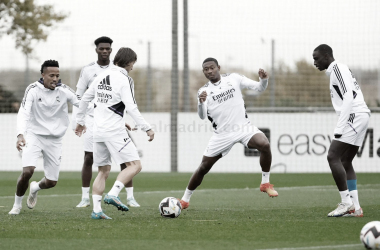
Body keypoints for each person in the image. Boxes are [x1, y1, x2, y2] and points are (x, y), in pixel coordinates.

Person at [179, 57, 278, 210]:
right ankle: (185, 199)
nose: (209, 71)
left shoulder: (234, 78)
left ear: (218, 67)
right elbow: (202, 116)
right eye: (206, 69)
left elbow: (259, 88)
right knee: (204, 167)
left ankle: (265, 183)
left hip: (243, 128)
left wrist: (264, 80)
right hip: (222, 135)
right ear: (204, 72)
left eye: (212, 67)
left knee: (264, 144)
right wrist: (200, 102)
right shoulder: (203, 91)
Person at [75, 47, 154, 220]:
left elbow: (86, 99)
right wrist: (146, 127)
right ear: (129, 62)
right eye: (133, 63)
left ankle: (96, 211)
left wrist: (80, 122)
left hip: (98, 132)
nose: (133, 67)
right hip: (114, 132)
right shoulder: (124, 79)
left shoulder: (101, 76)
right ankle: (113, 194)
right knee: (135, 165)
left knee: (103, 170)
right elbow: (131, 107)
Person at [9, 60, 80, 215]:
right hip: (35, 136)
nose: (55, 79)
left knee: (51, 182)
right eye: (51, 75)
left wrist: (79, 121)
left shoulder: (64, 90)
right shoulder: (33, 89)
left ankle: (35, 188)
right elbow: (24, 112)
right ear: (43, 75)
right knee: (27, 171)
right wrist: (20, 134)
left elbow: (81, 103)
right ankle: (17, 205)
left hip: (55, 140)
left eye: (57, 75)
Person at [312, 44, 370, 217]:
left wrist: (340, 126)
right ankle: (356, 208)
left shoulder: (337, 68)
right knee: (345, 161)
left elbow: (348, 96)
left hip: (355, 115)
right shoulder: (338, 70)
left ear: (326, 55)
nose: (314, 62)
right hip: (361, 115)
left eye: (316, 58)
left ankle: (346, 202)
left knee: (332, 156)